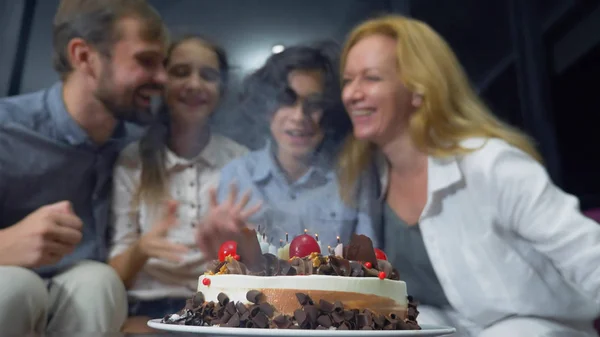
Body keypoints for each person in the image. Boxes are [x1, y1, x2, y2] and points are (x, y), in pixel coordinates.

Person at [337, 14, 600, 337]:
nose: (351, 94)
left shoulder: (491, 163)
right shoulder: (368, 179)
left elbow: (590, 255)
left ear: (419, 89)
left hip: (540, 328)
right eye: (348, 80)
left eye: (371, 78)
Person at [0, 0, 168, 334]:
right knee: (16, 287)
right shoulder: (8, 129)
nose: (162, 78)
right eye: (146, 61)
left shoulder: (138, 148)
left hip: (92, 292)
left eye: (164, 63)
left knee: (99, 281)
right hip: (11, 284)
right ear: (83, 56)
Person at [108, 34, 248, 332]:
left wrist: (237, 247)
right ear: (163, 82)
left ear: (221, 90)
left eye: (207, 75)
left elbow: (262, 270)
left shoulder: (241, 163)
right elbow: (114, 277)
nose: (194, 84)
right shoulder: (134, 160)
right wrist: (142, 248)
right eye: (181, 72)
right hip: (144, 314)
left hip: (222, 312)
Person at [195, 43, 380, 259]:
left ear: (330, 112)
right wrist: (217, 241)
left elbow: (369, 264)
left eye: (315, 103)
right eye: (286, 100)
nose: (299, 116)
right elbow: (225, 263)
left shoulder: (353, 175)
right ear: (266, 108)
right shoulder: (237, 176)